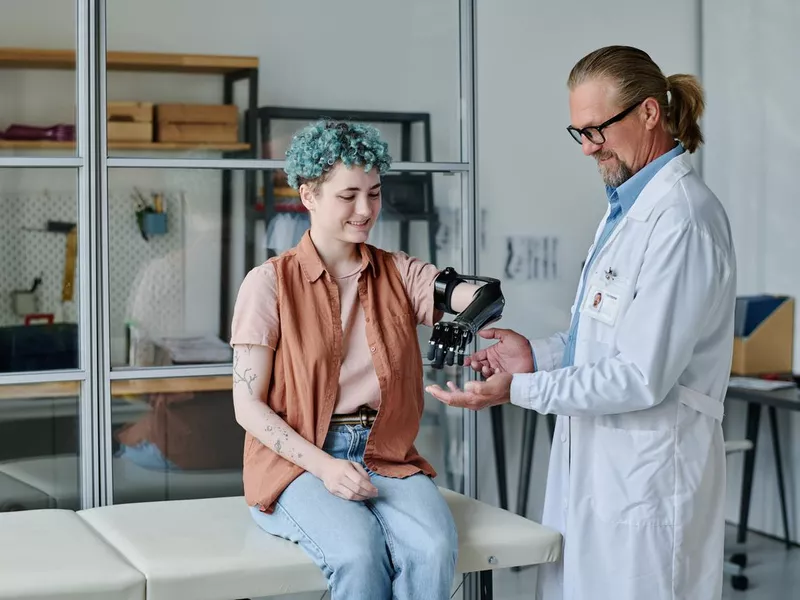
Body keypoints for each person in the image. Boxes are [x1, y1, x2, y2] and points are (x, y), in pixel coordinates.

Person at [427, 45, 737, 600]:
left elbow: (640, 374)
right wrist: (538, 356)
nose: (589, 148)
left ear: (648, 113)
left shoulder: (682, 220)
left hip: (651, 477)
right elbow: (600, 338)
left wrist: (519, 388)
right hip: (602, 470)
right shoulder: (624, 212)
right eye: (579, 132)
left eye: (598, 130)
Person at [229, 119, 503, 599]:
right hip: (297, 462)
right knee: (358, 553)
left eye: (374, 193)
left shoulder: (397, 272)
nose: (365, 210)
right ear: (308, 195)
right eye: (348, 195)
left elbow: (480, 294)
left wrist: (465, 318)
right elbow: (246, 406)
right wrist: (325, 466)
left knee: (435, 548)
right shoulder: (268, 284)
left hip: (386, 453)